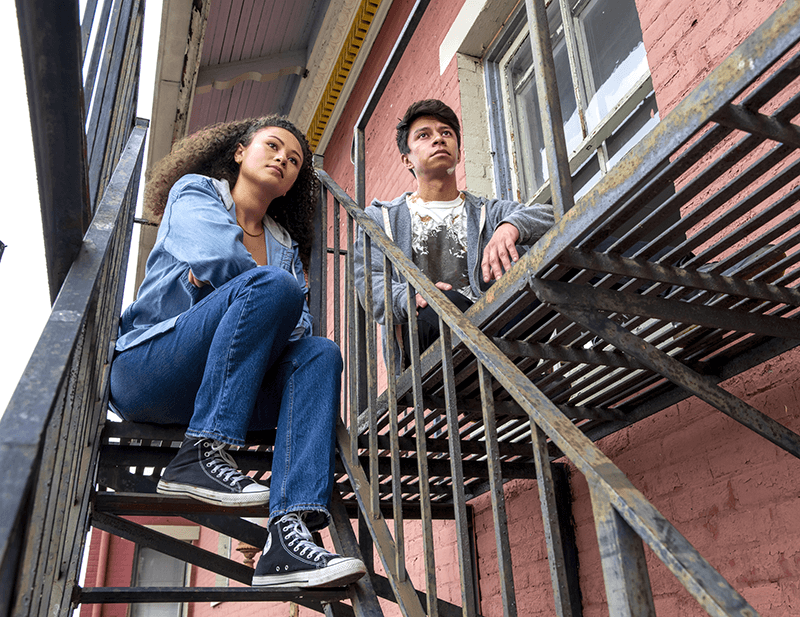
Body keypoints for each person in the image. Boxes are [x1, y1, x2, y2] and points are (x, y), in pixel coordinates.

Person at [109, 116, 366, 589]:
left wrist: (246, 297)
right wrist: (256, 295)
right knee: (273, 286)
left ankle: (289, 538)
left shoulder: (283, 242)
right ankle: (202, 452)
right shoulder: (197, 192)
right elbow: (220, 256)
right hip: (152, 369)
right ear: (239, 152)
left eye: (293, 161)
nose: (282, 161)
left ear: (292, 183)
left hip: (227, 383)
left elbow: (298, 326)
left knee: (320, 353)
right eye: (272, 147)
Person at [354, 99, 555, 369]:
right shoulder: (382, 219)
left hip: (496, 325)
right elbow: (371, 285)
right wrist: (410, 296)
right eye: (424, 135)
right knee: (442, 302)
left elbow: (554, 216)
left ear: (459, 153)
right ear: (406, 159)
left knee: (569, 249)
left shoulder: (488, 210)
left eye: (446, 133)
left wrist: (511, 227)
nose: (438, 139)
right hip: (430, 334)